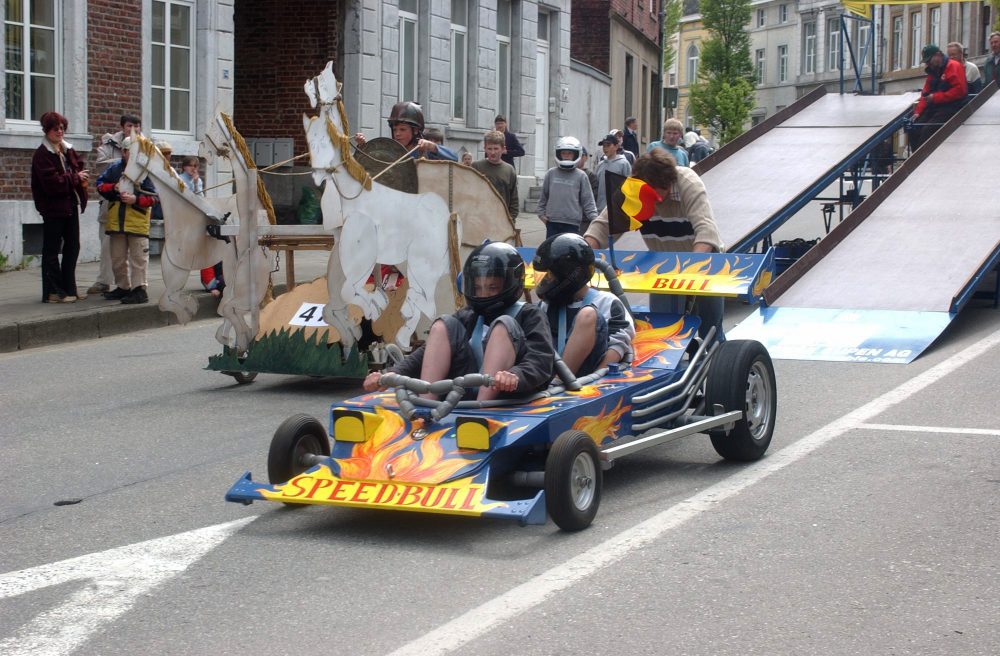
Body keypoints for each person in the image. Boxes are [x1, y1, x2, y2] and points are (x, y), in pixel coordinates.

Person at [363, 241, 554, 401]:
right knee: (442, 325)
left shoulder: (530, 315)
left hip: (502, 395)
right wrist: (393, 373)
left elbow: (540, 360)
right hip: (461, 388)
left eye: (492, 287)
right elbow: (425, 352)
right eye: (478, 287)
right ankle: (427, 403)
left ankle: (480, 410)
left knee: (503, 324)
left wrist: (515, 376)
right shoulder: (468, 315)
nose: (483, 294)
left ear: (511, 283)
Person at [584, 149, 725, 341]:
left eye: (655, 191)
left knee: (710, 330)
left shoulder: (688, 183)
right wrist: (582, 252)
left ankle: (716, 363)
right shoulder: (634, 190)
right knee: (663, 330)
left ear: (667, 183)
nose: (648, 196)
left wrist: (691, 271)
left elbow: (706, 231)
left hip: (703, 261)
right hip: (664, 264)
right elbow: (603, 227)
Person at [533, 234, 634, 376]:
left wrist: (595, 379)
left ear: (569, 275)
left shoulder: (607, 302)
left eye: (549, 277)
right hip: (548, 374)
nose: (544, 283)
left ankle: (560, 380)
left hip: (587, 377)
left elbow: (618, 346)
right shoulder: (545, 306)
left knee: (587, 315)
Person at [30, 111, 89, 303]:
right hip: (53, 208)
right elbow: (52, 183)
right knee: (52, 249)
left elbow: (77, 166)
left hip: (69, 204)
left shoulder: (65, 150)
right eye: (55, 128)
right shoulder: (42, 155)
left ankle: (69, 288)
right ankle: (53, 291)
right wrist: (75, 178)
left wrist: (78, 173)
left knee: (73, 246)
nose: (60, 131)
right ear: (47, 130)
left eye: (62, 128)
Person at [96, 136, 159, 304]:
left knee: (138, 258)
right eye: (128, 151)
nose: (131, 155)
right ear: (123, 152)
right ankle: (123, 286)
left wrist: (135, 199)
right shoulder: (114, 169)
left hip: (137, 221)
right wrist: (113, 188)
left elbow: (154, 198)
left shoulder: (145, 171)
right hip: (116, 221)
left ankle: (139, 289)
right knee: (117, 257)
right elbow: (100, 185)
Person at [89, 113, 141, 295]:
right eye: (129, 126)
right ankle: (104, 281)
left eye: (137, 126)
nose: (133, 130)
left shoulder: (145, 147)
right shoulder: (108, 146)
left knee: (138, 250)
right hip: (111, 204)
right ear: (122, 127)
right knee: (108, 244)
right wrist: (127, 160)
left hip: (136, 207)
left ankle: (137, 286)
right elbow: (101, 166)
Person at [536, 136, 598, 239]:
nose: (566, 156)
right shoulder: (551, 173)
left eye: (569, 153)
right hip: (552, 223)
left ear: (576, 154)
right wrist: (541, 215)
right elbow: (543, 197)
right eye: (564, 153)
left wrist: (595, 220)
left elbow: (588, 201)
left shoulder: (581, 176)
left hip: (573, 224)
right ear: (559, 154)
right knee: (552, 251)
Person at [908, 44, 968, 152]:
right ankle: (915, 157)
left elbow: (960, 91)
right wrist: (917, 112)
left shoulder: (953, 66)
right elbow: (925, 94)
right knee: (913, 127)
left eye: (928, 60)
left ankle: (919, 158)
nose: (927, 63)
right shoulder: (933, 71)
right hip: (936, 106)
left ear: (937, 55)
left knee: (928, 130)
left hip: (952, 107)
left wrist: (935, 97)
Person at [354, 101, 457, 161]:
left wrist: (433, 147)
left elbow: (454, 157)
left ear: (415, 130)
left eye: (402, 129)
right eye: (395, 130)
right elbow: (370, 164)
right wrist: (362, 147)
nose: (397, 133)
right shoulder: (389, 151)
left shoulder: (424, 150)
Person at [471, 130, 519, 222]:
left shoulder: (509, 170)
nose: (493, 152)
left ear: (503, 149)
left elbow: (514, 199)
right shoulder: (476, 166)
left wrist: (511, 219)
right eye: (489, 148)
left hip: (502, 220)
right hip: (479, 219)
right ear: (484, 148)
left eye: (496, 148)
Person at [594, 132, 632, 213]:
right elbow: (596, 187)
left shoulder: (623, 164)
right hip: (600, 209)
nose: (605, 148)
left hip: (617, 209)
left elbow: (629, 187)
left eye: (608, 145)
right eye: (603, 146)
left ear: (616, 146)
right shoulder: (600, 165)